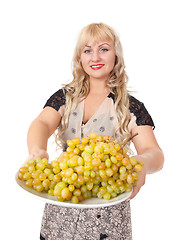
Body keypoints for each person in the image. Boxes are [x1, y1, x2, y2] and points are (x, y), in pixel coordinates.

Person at [27, 23, 164, 240]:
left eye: (104, 49)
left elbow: (153, 152)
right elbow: (42, 123)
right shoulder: (64, 97)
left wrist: (139, 164)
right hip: (60, 214)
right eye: (87, 50)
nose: (95, 57)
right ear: (80, 58)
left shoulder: (130, 107)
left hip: (107, 221)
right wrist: (37, 151)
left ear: (116, 55)